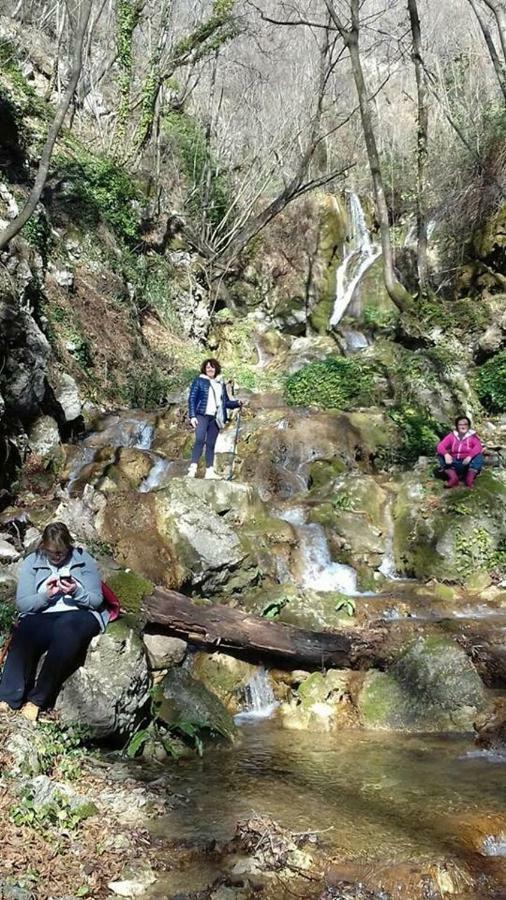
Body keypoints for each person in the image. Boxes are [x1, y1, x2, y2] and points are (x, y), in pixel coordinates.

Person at [0, 522, 109, 721]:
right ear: (43, 547)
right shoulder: (33, 561)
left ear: (69, 546)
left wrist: (76, 591)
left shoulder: (83, 559)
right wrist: (44, 596)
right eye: (52, 552)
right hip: (43, 613)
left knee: (66, 632)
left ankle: (37, 700)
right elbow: (23, 604)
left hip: (79, 613)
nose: (57, 557)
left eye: (61, 552)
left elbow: (96, 600)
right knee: (26, 632)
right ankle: (8, 698)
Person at [187, 358, 242, 479]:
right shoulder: (199, 381)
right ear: (204, 369)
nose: (210, 369)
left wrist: (237, 403)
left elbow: (225, 403)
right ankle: (193, 469)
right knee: (200, 439)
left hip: (215, 418)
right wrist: (192, 416)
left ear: (216, 368)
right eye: (207, 367)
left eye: (212, 367)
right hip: (201, 415)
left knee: (211, 444)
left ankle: (209, 471)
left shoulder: (220, 384)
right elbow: (192, 398)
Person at [436, 415, 484, 489]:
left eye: (465, 424)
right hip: (454, 463)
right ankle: (453, 478)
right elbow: (440, 446)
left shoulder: (472, 437)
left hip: (467, 465)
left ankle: (469, 479)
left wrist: (469, 456)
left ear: (468, 426)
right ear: (457, 426)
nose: (463, 426)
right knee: (440, 455)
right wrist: (446, 454)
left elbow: (478, 447)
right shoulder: (451, 436)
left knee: (478, 456)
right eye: (460, 424)